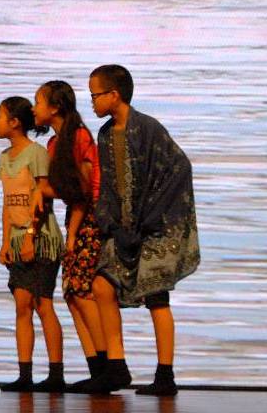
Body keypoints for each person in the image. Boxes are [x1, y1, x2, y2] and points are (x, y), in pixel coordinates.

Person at [86, 65, 200, 397]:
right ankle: (117, 366)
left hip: (154, 228)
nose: (91, 102)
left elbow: (179, 169)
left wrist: (150, 218)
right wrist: (110, 224)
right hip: (121, 228)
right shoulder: (105, 134)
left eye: (95, 95)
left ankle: (165, 375)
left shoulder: (148, 129)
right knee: (101, 285)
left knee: (156, 297)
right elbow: (107, 185)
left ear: (114, 95)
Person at [29, 80, 107, 392]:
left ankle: (107, 367)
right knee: (73, 295)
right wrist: (40, 189)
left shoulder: (78, 137)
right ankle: (96, 367)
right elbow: (65, 188)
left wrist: (73, 233)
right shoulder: (54, 144)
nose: (34, 109)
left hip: (91, 220)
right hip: (76, 218)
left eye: (38, 102)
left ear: (55, 107)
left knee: (83, 292)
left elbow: (85, 190)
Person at [0, 96, 63, 393]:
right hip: (17, 239)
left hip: (41, 239)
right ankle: (25, 373)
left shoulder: (35, 153)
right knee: (22, 304)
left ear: (15, 122)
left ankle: (56, 373)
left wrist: (32, 236)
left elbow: (42, 198)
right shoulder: (5, 158)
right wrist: (5, 241)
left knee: (42, 303)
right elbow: (9, 203)